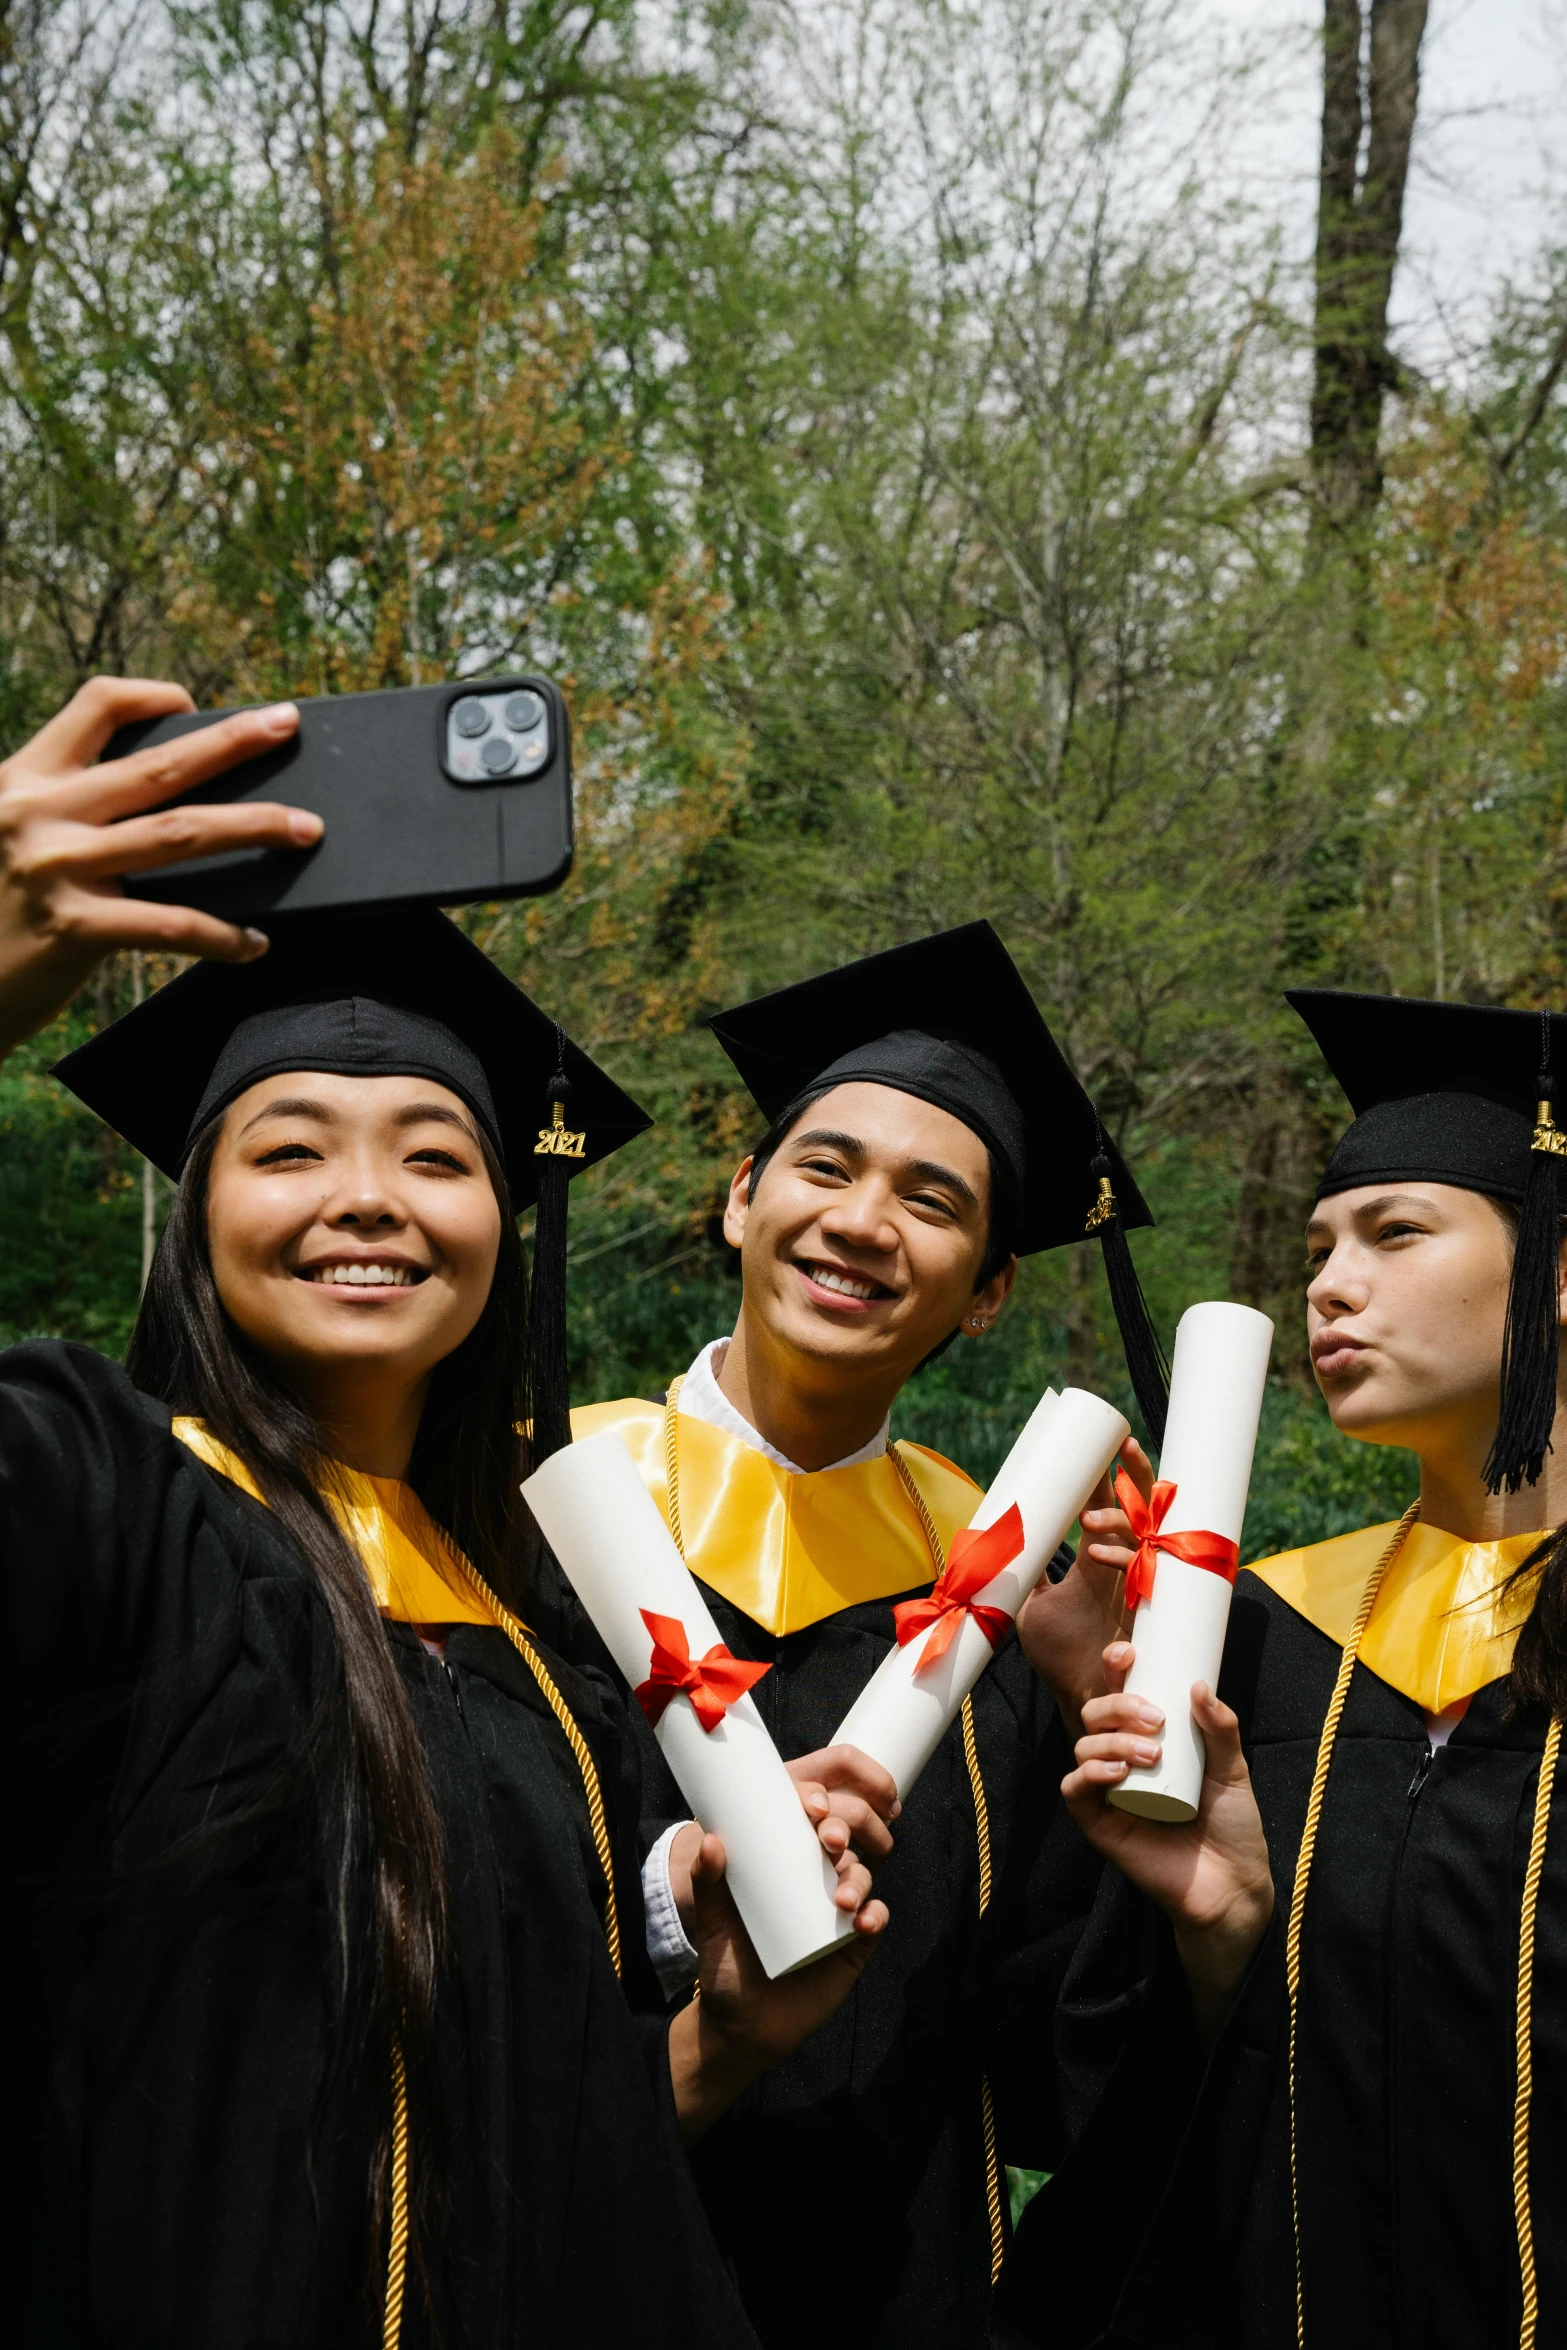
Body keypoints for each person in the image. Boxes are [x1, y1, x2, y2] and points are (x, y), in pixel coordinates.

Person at [8, 678, 893, 2349]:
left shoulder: (552, 1657)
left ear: (502, 1218)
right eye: (286, 1148)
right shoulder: (103, 1509)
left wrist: (731, 2033)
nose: (364, 1197)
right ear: (194, 1215)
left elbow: (559, 2170)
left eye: (433, 1151)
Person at [569, 923, 1167, 2349]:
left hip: (899, 2297)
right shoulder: (534, 1523)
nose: (859, 1221)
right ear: (740, 1199)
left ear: (986, 1292)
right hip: (575, 2267)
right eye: (824, 1167)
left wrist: (1098, 1720)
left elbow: (1040, 2059)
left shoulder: (993, 1599)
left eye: (931, 1199)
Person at [994, 987, 1567, 2350]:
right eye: (1315, 1244)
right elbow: (1133, 2116)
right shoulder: (1268, 1638)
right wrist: (1222, 1924)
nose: (1323, 1281)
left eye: (1391, 1231)